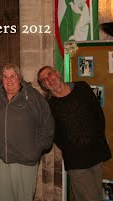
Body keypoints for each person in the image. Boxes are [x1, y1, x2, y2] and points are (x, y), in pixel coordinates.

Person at [37, 66, 111, 201]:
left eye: (50, 74)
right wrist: (70, 147)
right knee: (89, 197)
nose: (49, 79)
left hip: (96, 152)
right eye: (44, 80)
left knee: (97, 195)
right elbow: (54, 133)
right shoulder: (49, 105)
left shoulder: (82, 88)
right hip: (76, 159)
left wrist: (99, 139)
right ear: (44, 86)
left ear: (57, 73)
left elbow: (98, 114)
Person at [0, 64, 54, 201]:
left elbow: (47, 124)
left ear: (20, 78)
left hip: (25, 160)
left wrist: (37, 148)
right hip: (1, 159)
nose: (9, 80)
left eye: (13, 76)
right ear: (1, 79)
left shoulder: (33, 96)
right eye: (5, 77)